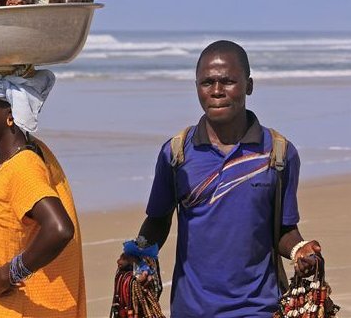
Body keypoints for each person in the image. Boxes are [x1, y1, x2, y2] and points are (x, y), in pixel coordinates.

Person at [118, 40, 321, 318]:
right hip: (191, 309)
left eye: (227, 81)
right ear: (197, 87)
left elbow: (284, 230)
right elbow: (158, 221)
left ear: (248, 86)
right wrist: (138, 254)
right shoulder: (177, 153)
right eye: (207, 82)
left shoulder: (278, 153)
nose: (216, 91)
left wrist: (300, 251)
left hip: (258, 308)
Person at [0, 68, 86, 318]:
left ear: (10, 114)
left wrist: (8, 274)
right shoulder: (16, 160)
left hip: (2, 310)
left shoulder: (23, 167)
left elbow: (59, 229)